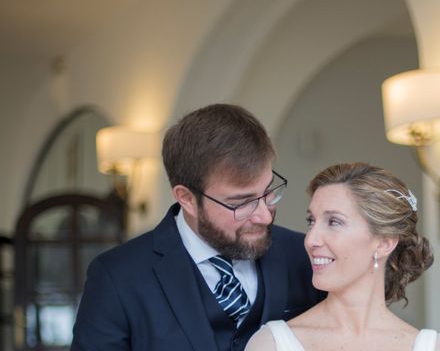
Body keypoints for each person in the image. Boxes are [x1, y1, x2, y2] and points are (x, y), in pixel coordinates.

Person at [71, 104, 325, 351]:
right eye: (241, 202)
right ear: (187, 198)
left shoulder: (304, 255)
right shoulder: (117, 277)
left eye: (269, 192)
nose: (264, 217)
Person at [246, 162, 440, 351]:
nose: (311, 240)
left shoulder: (432, 347)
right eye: (312, 221)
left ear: (384, 243)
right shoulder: (272, 344)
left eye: (334, 222)